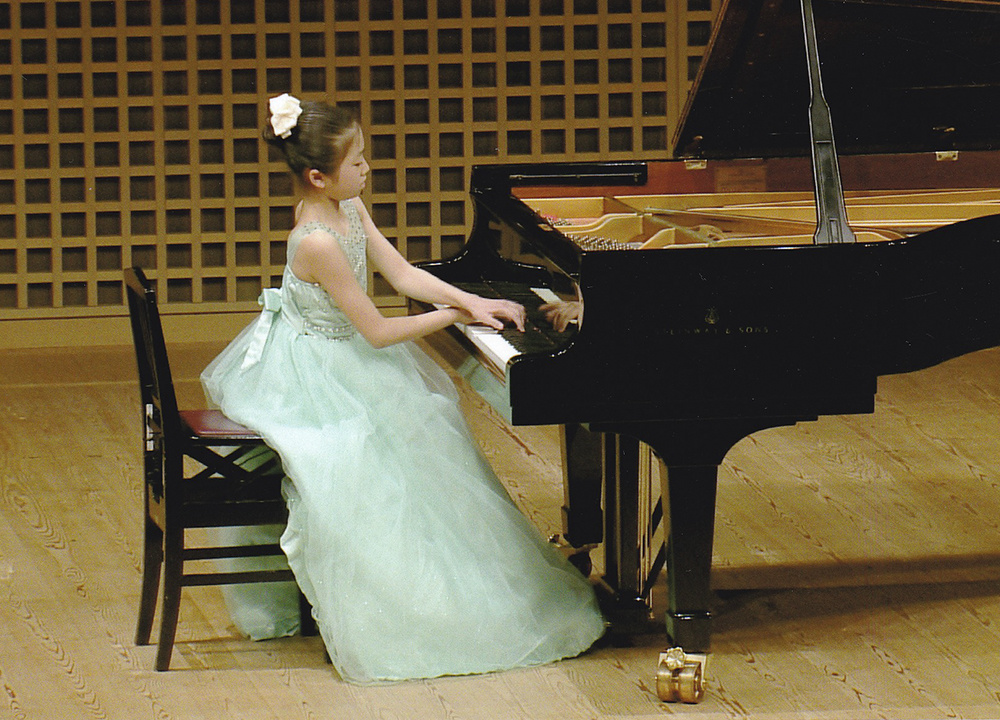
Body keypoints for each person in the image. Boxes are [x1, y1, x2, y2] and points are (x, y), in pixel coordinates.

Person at [201, 94, 605, 684]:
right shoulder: (316, 240)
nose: (367, 168)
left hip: (349, 354)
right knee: (369, 460)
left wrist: (471, 300)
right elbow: (379, 331)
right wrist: (453, 318)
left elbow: (403, 274)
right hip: (319, 369)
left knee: (431, 431)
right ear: (318, 177)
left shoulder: (348, 206)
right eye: (357, 161)